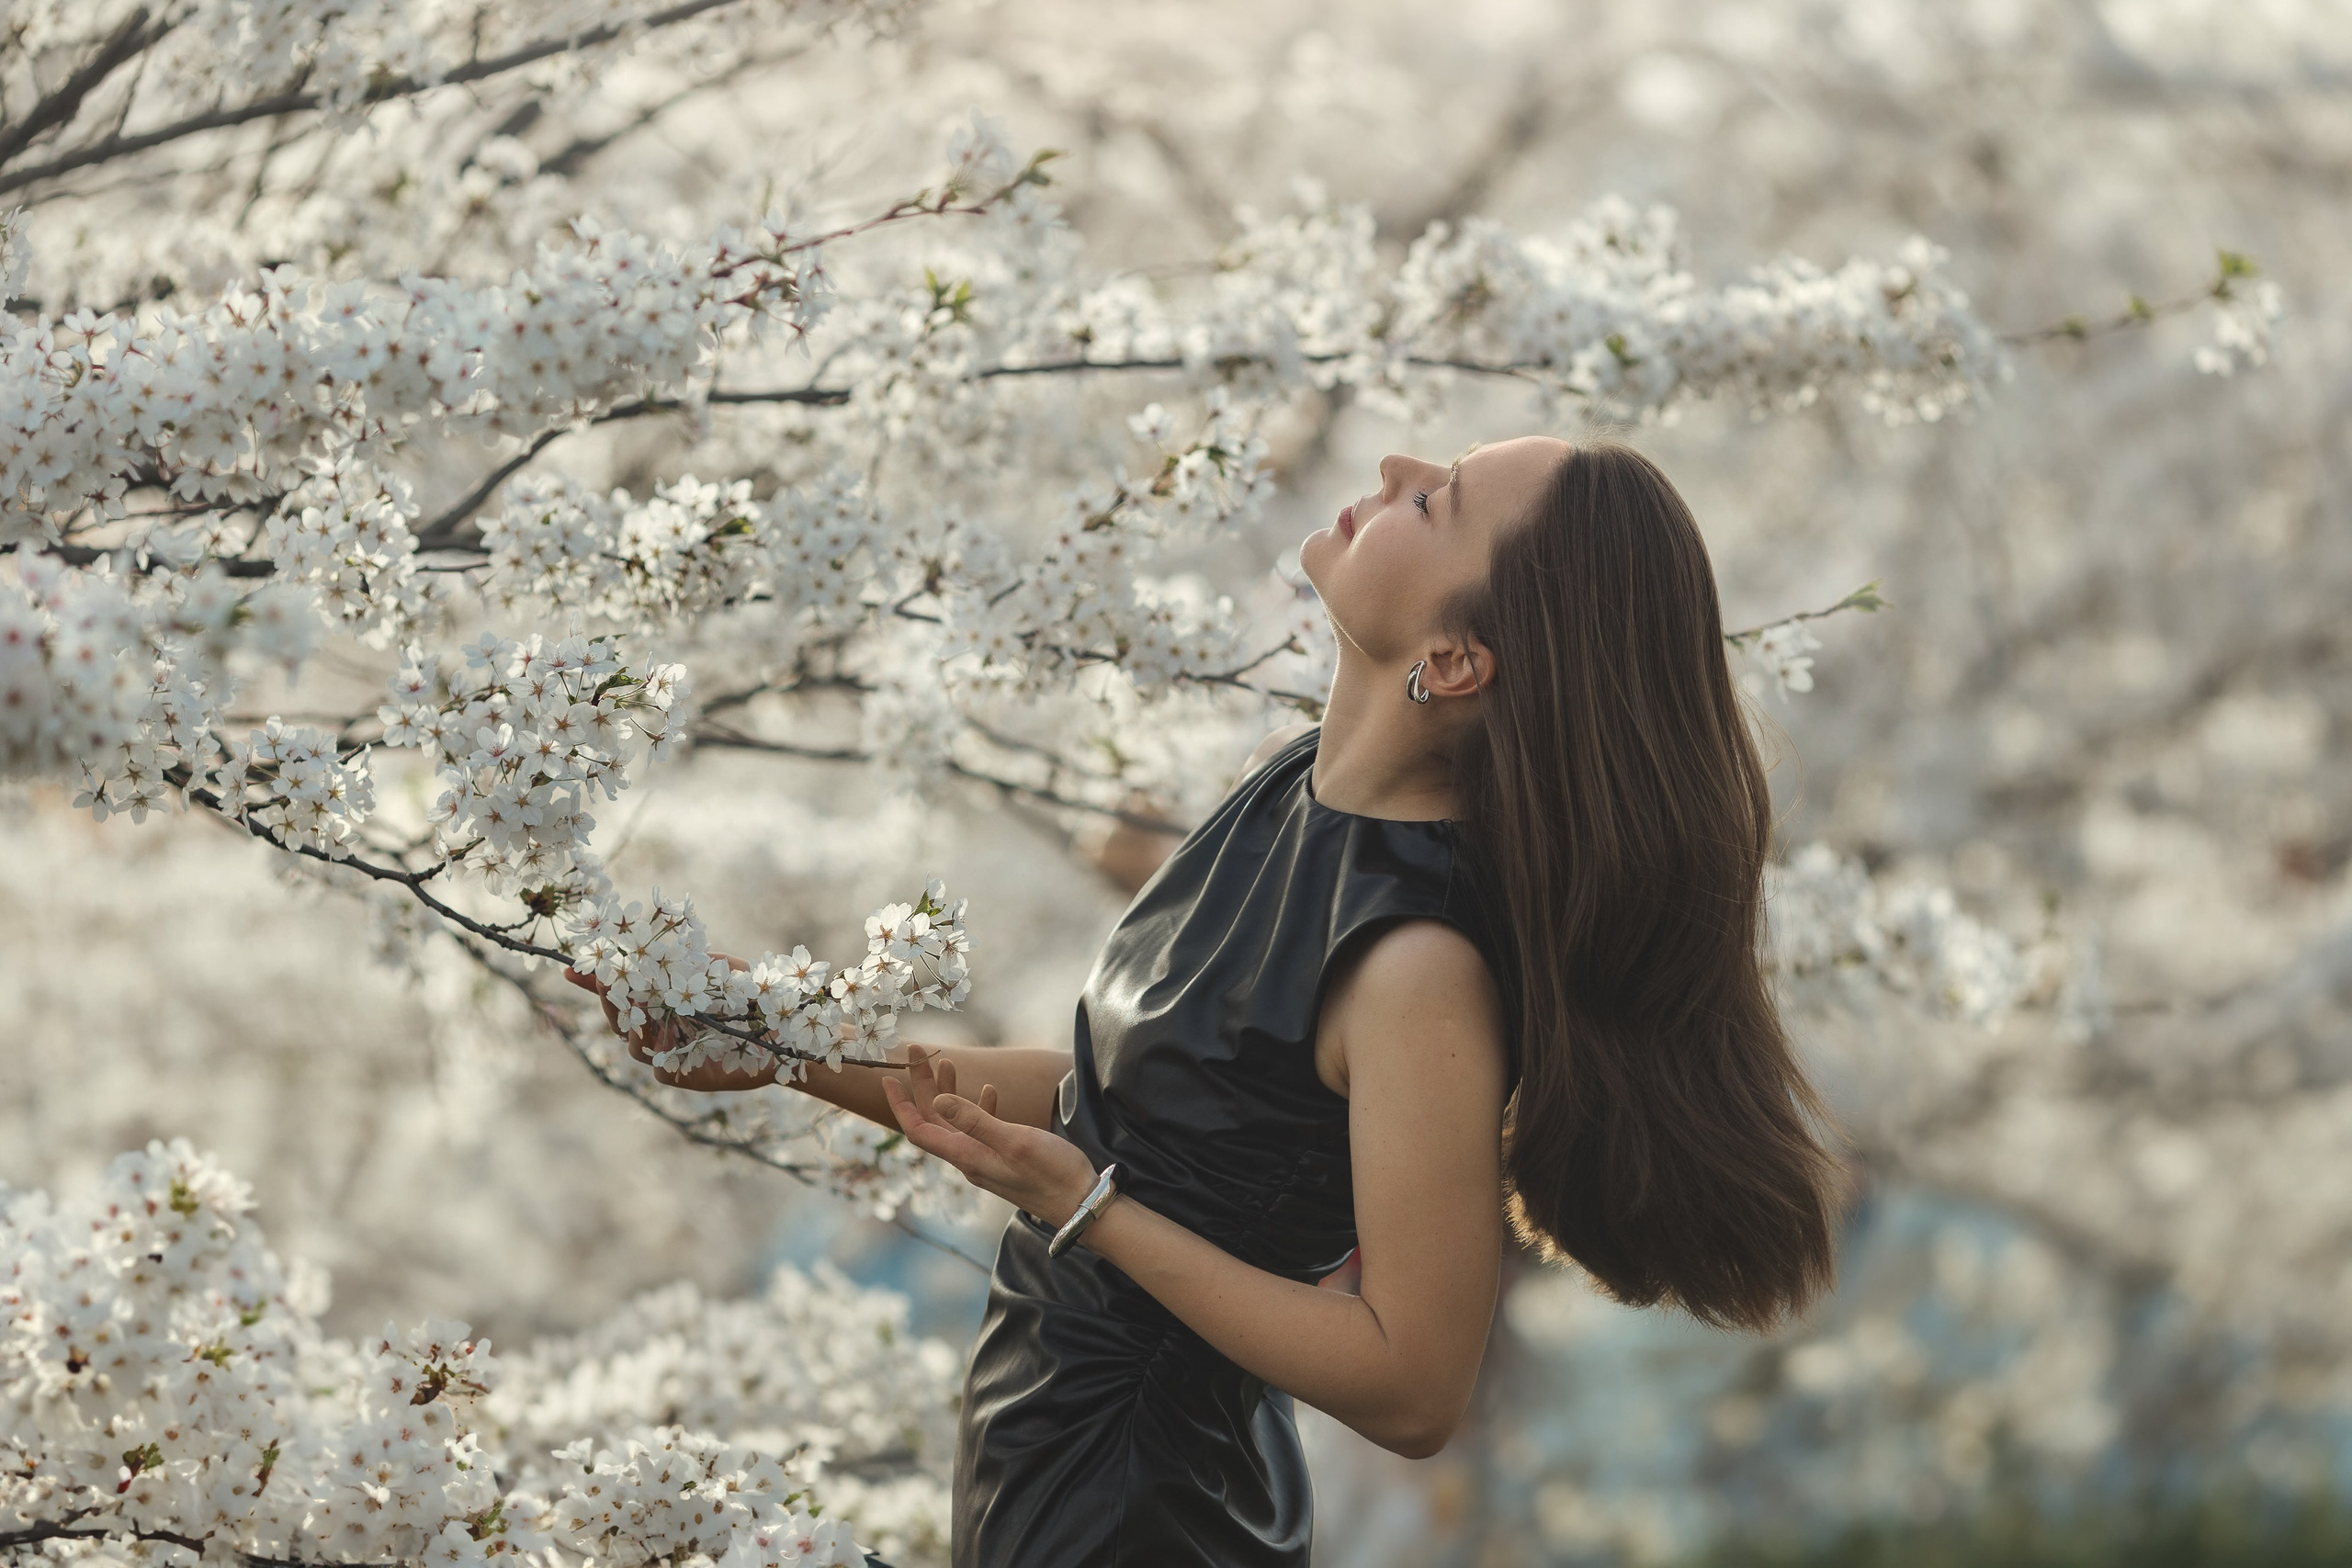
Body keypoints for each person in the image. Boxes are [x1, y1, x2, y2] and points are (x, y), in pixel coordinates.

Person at [569, 434, 1849, 1568]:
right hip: (1047, 1445)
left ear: (1456, 660)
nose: (1396, 467)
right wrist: (775, 1046)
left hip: (1149, 1502)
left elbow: (1414, 1387)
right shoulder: (1289, 791)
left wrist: (1092, 1212)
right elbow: (1108, 1102)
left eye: (1439, 500)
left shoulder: (1416, 969)